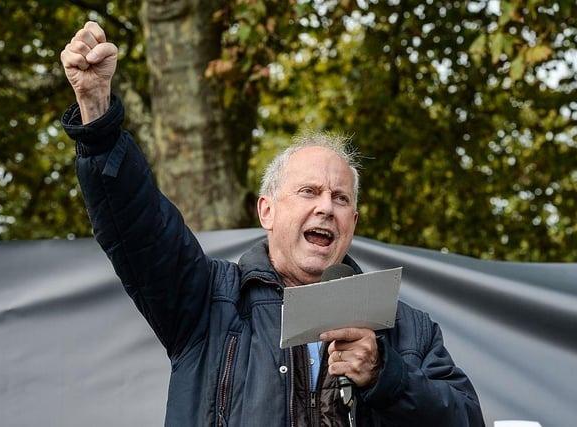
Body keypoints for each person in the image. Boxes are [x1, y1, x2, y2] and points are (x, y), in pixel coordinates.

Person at [60, 21, 485, 427]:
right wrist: (97, 118)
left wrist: (384, 376)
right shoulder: (208, 302)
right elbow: (140, 227)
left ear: (352, 223)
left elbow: (465, 419)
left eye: (340, 199)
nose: (326, 208)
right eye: (309, 192)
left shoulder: (408, 331)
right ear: (266, 210)